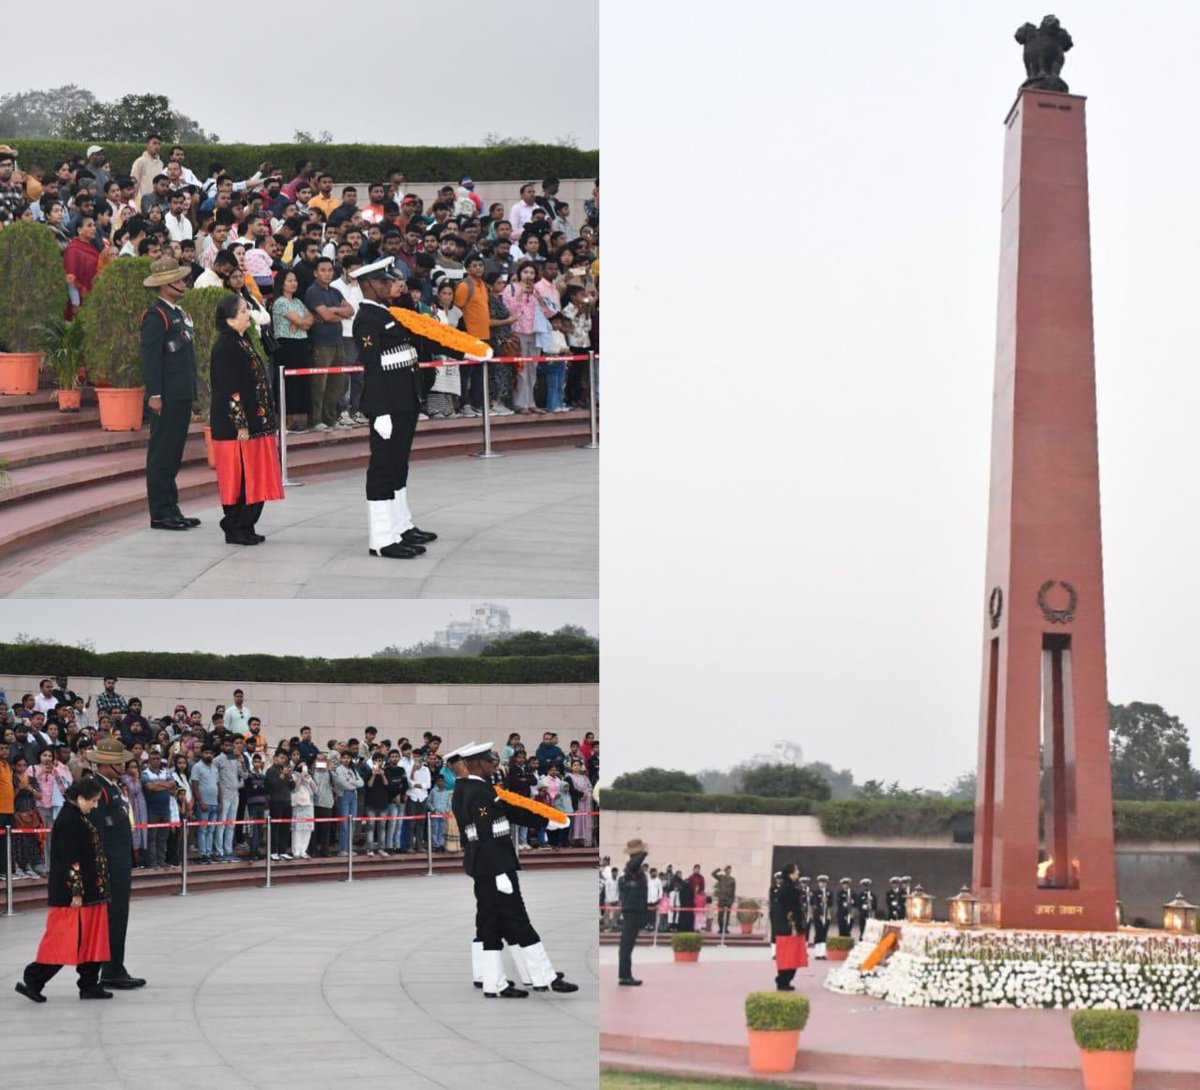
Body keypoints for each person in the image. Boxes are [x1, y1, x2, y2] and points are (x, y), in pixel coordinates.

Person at [349, 255, 488, 559]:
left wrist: (466, 351)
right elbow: (373, 369)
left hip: (405, 400)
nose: (393, 286)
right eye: (385, 281)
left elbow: (425, 339)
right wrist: (379, 411)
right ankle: (382, 539)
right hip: (388, 404)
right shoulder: (367, 319)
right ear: (369, 284)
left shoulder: (392, 313)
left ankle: (401, 526)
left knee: (399, 464)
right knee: (383, 467)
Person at [455, 742, 577, 998]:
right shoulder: (478, 792)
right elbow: (486, 834)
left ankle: (492, 981)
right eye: (489, 760)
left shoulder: (471, 788)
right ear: (476, 763)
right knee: (518, 919)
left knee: (489, 921)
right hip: (495, 864)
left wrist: (545, 821)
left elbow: (508, 811)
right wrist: (499, 872)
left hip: (483, 865)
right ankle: (545, 977)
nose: (494, 764)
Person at [16, 779, 114, 1002]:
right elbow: (71, 859)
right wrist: (76, 890)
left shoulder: (78, 816)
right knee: (64, 938)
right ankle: (34, 979)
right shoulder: (70, 820)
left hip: (92, 891)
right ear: (80, 798)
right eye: (93, 801)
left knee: (91, 940)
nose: (95, 805)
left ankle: (89, 984)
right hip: (75, 894)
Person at [209, 294, 285, 545]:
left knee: (254, 476)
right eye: (242, 311)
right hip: (237, 427)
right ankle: (235, 527)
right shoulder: (226, 347)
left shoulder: (244, 340)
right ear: (230, 319)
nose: (248, 315)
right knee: (239, 479)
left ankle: (247, 525)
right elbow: (229, 389)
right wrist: (240, 423)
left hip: (257, 422)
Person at [140, 256, 200, 532]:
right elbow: (151, 358)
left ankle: (171, 507)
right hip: (166, 394)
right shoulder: (156, 315)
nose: (183, 283)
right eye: (177, 280)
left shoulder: (177, 312)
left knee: (174, 453)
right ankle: (161, 512)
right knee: (162, 453)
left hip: (181, 391)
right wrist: (154, 393)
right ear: (165, 285)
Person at [84, 737, 146, 989]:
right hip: (109, 863)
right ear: (106, 764)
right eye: (118, 762)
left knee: (119, 915)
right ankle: (110, 969)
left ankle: (114, 967)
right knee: (113, 916)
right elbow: (95, 830)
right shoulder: (97, 789)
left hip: (119, 860)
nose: (123, 765)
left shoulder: (112, 787)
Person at [270, 268, 314, 432]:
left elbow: (310, 319)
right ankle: (287, 420)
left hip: (301, 343)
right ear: (282, 284)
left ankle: (300, 420)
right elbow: (303, 321)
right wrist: (300, 322)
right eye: (289, 280)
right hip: (287, 346)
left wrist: (300, 322)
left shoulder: (298, 302)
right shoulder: (280, 302)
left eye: (295, 280)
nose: (293, 283)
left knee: (301, 382)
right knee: (289, 383)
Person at [618, 839, 650, 986]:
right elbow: (634, 863)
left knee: (627, 944)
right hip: (632, 910)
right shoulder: (632, 867)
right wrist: (644, 853)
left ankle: (625, 975)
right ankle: (625, 976)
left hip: (635, 910)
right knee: (627, 944)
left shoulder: (634, 869)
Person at [774, 863, 808, 991]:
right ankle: (783, 981)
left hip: (791, 927)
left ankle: (785, 980)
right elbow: (788, 910)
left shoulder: (791, 887)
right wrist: (793, 926)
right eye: (796, 870)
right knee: (788, 957)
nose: (798, 872)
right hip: (788, 928)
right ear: (790, 873)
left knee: (792, 957)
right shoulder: (788, 889)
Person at [713, 865, 737, 934]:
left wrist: (732, 901)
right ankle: (720, 929)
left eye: (730, 869)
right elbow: (713, 874)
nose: (729, 870)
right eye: (728, 869)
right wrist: (719, 869)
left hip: (728, 900)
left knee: (727, 915)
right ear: (725, 870)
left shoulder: (732, 879)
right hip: (722, 899)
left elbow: (733, 891)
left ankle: (725, 929)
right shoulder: (721, 877)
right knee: (720, 915)